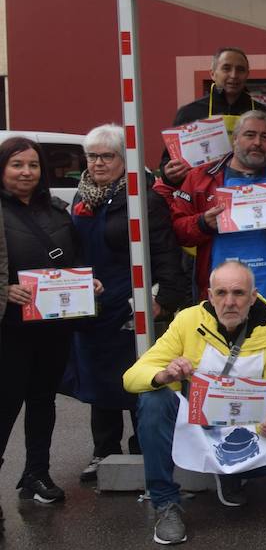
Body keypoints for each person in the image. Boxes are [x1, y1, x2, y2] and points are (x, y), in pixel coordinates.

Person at [123, 260, 266, 545]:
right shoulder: (187, 321)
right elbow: (131, 377)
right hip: (191, 421)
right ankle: (166, 504)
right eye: (221, 293)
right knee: (153, 399)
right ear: (209, 295)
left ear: (253, 297)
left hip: (238, 428)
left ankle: (230, 474)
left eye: (239, 293)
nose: (230, 302)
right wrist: (164, 375)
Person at [67, 125, 189, 484]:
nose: (99, 163)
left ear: (125, 160)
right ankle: (103, 451)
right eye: (92, 156)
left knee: (139, 378)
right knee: (97, 382)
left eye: (107, 156)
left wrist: (163, 300)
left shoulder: (143, 198)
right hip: (91, 306)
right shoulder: (82, 197)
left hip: (131, 306)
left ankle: (144, 449)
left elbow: (166, 254)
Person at [1, 137, 103, 506]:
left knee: (43, 400)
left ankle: (36, 473)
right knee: (6, 404)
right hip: (10, 329)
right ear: (3, 169)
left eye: (33, 165)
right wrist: (6, 290)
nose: (26, 172)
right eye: (17, 165)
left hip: (53, 326)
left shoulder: (58, 210)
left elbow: (73, 261)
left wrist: (86, 282)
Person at [162, 110, 266, 329]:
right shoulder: (200, 177)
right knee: (219, 357)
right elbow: (177, 231)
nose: (258, 142)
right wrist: (203, 223)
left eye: (265, 137)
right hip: (218, 292)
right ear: (235, 139)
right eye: (250, 135)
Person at [161, 47, 266, 187]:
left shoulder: (262, 112)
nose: (234, 75)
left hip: (250, 191)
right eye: (226, 68)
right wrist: (169, 174)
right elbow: (168, 161)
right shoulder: (190, 113)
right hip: (202, 194)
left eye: (240, 70)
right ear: (213, 74)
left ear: (247, 74)